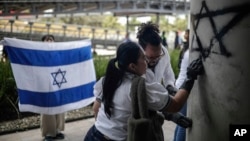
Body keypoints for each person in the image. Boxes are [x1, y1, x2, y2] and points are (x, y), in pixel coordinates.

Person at [84, 41, 203, 141]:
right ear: (132, 66)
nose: (146, 61)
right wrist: (190, 78)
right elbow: (176, 104)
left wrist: (107, 129)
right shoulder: (138, 87)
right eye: (143, 58)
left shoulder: (109, 80)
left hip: (94, 134)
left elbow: (96, 107)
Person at [136, 22, 192, 128]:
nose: (156, 59)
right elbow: (148, 99)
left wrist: (169, 86)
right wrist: (170, 114)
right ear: (141, 50)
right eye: (151, 57)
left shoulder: (164, 53)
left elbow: (168, 73)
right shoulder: (135, 65)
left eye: (158, 55)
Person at [41, 34, 65, 141]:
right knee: (47, 109)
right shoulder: (39, 54)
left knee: (59, 108)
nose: (49, 41)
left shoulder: (58, 53)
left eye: (51, 39)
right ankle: (49, 133)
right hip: (46, 85)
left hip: (59, 83)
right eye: (47, 40)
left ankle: (57, 130)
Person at [174, 29, 190, 141]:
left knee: (180, 122)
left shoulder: (186, 50)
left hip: (178, 85)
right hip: (182, 88)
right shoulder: (191, 52)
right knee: (183, 125)